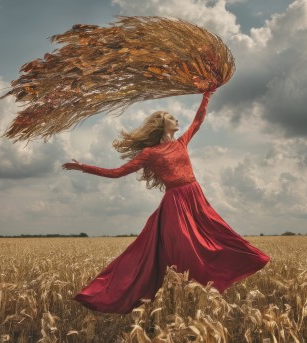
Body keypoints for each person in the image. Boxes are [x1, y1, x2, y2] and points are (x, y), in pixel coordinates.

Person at [62, 90, 270, 314]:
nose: (176, 119)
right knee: (183, 250)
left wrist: (207, 94)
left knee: (220, 236)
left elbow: (198, 121)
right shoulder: (150, 153)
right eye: (171, 117)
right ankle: (175, 299)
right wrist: (84, 167)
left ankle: (210, 288)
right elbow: (118, 172)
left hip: (196, 199)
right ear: (161, 124)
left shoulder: (181, 142)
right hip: (175, 204)